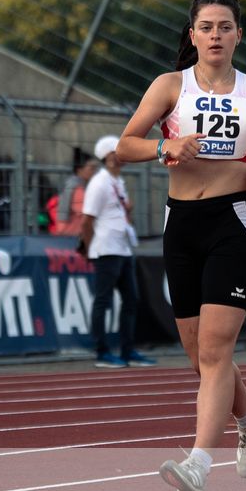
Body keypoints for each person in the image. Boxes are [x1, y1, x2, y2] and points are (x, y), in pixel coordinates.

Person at [115, 0, 246, 491]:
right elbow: (124, 145)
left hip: (232, 221)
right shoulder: (169, 87)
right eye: (207, 27)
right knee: (198, 357)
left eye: (225, 27)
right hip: (181, 223)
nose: (216, 35)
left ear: (238, 35)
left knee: (218, 350)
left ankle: (198, 463)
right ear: (193, 34)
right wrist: (164, 145)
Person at [81, 134, 157, 368]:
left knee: (131, 300)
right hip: (106, 249)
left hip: (122, 247)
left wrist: (129, 212)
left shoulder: (117, 182)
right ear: (108, 156)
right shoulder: (99, 182)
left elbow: (121, 215)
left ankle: (127, 350)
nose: (122, 156)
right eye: (117, 152)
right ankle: (101, 351)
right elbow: (87, 220)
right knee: (102, 300)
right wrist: (87, 249)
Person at [54, 151, 97, 236]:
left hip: (65, 232)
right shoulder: (78, 188)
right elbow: (87, 213)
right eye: (91, 168)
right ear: (79, 170)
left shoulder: (71, 183)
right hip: (72, 234)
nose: (94, 172)